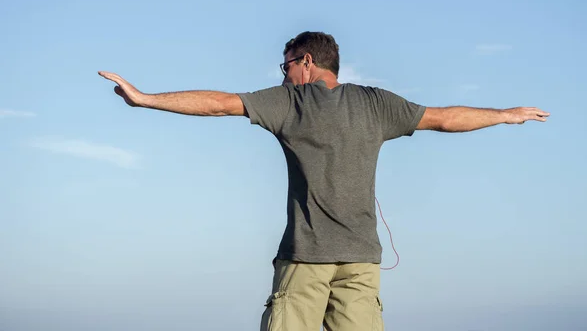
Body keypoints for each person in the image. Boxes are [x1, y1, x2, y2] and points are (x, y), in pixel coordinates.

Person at [99, 31, 549, 331]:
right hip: (361, 264)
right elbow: (447, 119)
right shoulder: (378, 103)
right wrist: (506, 115)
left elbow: (219, 103)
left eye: (286, 67)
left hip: (306, 260)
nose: (285, 75)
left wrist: (146, 99)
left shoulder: (290, 101)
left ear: (307, 63)